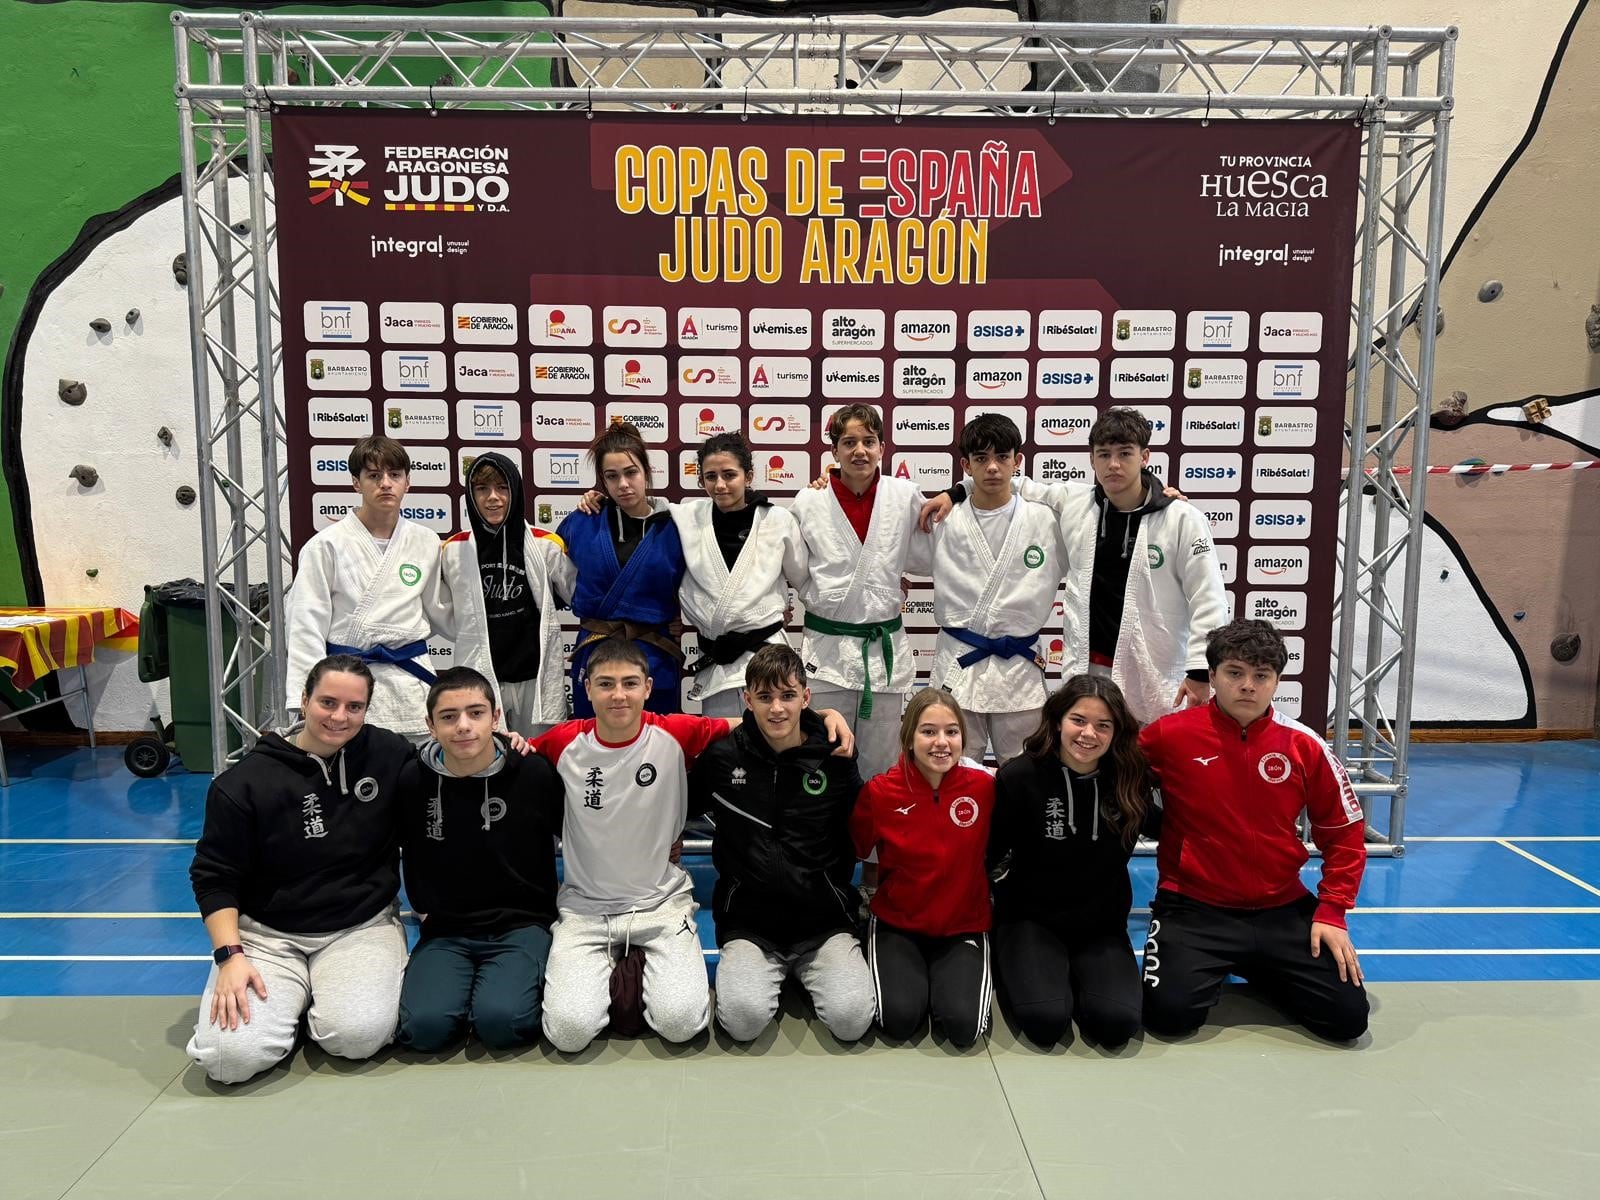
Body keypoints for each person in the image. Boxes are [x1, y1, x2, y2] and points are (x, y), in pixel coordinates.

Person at [527, 638, 856, 1053]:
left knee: (682, 1025)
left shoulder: (673, 732)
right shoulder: (561, 742)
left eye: (629, 683)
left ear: (648, 687)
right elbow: (500, 753)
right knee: (569, 1034)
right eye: (606, 684)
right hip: (585, 909)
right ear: (586, 688)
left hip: (660, 905)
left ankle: (633, 972)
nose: (618, 695)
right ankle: (618, 974)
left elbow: (763, 720)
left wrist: (825, 715)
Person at [1138, 619, 1369, 1042]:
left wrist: (1333, 911)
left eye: (1261, 675)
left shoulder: (1304, 745)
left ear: (1276, 681)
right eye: (1235, 673)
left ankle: (1261, 962)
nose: (1248, 686)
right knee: (1168, 1018)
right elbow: (1110, 776)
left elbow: (1345, 832)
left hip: (1281, 907)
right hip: (1194, 907)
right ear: (1212, 677)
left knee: (1347, 1021)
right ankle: (1237, 962)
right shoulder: (1169, 736)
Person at [186, 655, 412, 1083]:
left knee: (356, 1037)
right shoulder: (243, 784)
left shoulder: (389, 754)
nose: (339, 717)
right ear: (304, 700)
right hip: (266, 936)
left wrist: (503, 745)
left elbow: (448, 772)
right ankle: (290, 998)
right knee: (226, 1060)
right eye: (327, 702)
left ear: (366, 709)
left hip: (359, 926)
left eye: (354, 707)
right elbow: (214, 876)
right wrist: (230, 956)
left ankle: (321, 999)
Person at [921, 407, 1224, 726]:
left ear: (1145, 456)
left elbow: (1210, 598)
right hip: (1087, 667)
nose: (1114, 464)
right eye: (1104, 455)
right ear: (1092, 460)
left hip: (1153, 669)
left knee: (1148, 764)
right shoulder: (1076, 504)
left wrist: (1200, 670)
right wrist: (955, 492)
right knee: (1088, 757)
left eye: (1125, 453)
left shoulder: (1181, 519)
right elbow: (1006, 481)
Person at [687, 644, 874, 1043]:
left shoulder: (835, 753)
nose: (777, 709)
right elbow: (676, 808)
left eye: (788, 696)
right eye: (765, 697)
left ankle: (810, 973)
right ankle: (772, 978)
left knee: (851, 1020)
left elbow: (868, 820)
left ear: (806, 697)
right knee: (741, 1022)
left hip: (824, 923)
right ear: (747, 699)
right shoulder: (722, 758)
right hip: (750, 925)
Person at [393, 667, 564, 1053]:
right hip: (446, 930)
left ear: (496, 717)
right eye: (449, 717)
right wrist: (423, 909)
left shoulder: (533, 772)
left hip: (521, 925)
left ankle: (494, 995)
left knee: (502, 1023)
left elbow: (578, 836)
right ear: (430, 725)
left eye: (476, 713)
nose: (463, 726)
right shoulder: (411, 781)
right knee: (424, 1030)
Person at [989, 675, 1154, 1048]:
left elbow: (1184, 824)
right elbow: (991, 854)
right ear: (1058, 720)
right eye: (1078, 720)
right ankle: (1025, 965)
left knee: (1116, 1024)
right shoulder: (1020, 776)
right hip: (1030, 920)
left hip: (1101, 927)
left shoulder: (1131, 779)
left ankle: (1085, 978)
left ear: (1117, 732)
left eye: (1103, 725)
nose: (1088, 734)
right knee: (1045, 1022)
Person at [791, 404, 932, 780]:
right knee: (821, 762)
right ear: (834, 451)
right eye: (849, 442)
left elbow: (931, 554)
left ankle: (875, 841)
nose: (860, 451)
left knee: (881, 768)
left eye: (869, 442)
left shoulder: (905, 496)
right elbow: (797, 573)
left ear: (883, 447)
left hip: (882, 653)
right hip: (826, 652)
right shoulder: (808, 502)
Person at [850, 688, 995, 1046]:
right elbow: (852, 847)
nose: (941, 742)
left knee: (963, 1028)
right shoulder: (881, 793)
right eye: (929, 731)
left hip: (963, 926)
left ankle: (951, 982)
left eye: (952, 731)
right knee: (899, 1020)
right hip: (898, 924)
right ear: (909, 738)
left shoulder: (985, 788)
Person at [285, 436, 447, 740]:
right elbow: (305, 625)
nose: (385, 484)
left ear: (407, 483)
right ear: (356, 484)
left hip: (410, 680)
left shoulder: (426, 541)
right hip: (349, 687)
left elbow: (440, 610)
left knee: (414, 774)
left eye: (394, 475)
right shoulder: (326, 545)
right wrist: (303, 698)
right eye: (374, 476)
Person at [928, 413, 1067, 764]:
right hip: (960, 665)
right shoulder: (941, 519)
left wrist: (1161, 495)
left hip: (1018, 668)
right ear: (966, 465)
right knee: (953, 768)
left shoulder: (1047, 521)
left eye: (1002, 457)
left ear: (1017, 461)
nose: (992, 468)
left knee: (1027, 771)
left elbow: (1106, 505)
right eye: (981, 459)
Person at [437, 452, 575, 735]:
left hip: (534, 678)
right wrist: (470, 634)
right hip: (483, 674)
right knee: (484, 756)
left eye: (503, 488)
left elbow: (578, 595)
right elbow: (443, 613)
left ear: (516, 490)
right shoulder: (453, 550)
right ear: (470, 495)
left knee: (538, 758)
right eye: (482, 489)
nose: (493, 497)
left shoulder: (545, 544)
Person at [556, 422, 687, 717]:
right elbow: (553, 585)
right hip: (596, 653)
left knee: (657, 747)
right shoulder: (581, 523)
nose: (623, 484)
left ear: (646, 472)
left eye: (631, 473)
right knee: (592, 745)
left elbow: (704, 583)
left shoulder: (676, 526)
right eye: (612, 476)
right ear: (602, 480)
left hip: (653, 656)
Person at [674, 433, 807, 718]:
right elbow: (637, 508)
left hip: (768, 656)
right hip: (718, 661)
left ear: (748, 476)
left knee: (776, 746)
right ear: (701, 481)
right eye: (710, 476)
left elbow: (804, 577)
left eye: (729, 474)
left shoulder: (778, 520)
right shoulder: (685, 518)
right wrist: (596, 497)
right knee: (723, 751)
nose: (720, 485)